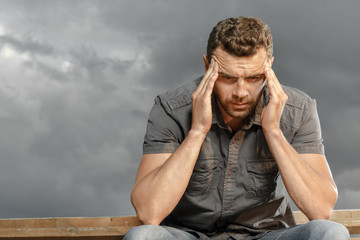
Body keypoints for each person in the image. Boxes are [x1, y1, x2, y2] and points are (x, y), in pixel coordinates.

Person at [125, 17, 350, 240]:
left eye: (253, 78)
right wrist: (197, 131)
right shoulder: (171, 109)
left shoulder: (298, 110)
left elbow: (320, 210)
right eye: (227, 77)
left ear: (269, 67)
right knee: (142, 236)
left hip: (266, 234)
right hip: (189, 235)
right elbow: (149, 212)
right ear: (207, 66)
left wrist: (273, 131)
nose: (241, 92)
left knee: (331, 233)